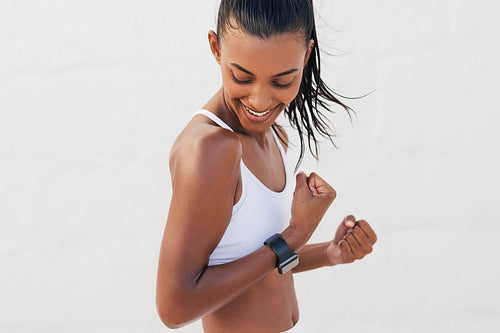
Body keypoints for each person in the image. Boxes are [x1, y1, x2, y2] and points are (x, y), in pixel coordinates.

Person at [156, 0, 377, 332]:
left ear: (306, 56)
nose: (259, 101)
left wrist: (328, 253)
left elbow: (252, 264)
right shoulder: (211, 150)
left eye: (282, 82)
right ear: (216, 48)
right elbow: (175, 307)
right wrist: (296, 234)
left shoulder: (275, 136)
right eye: (241, 77)